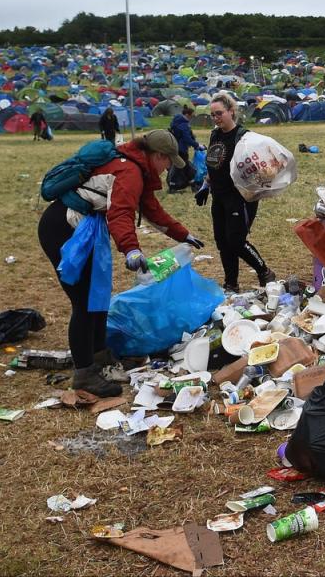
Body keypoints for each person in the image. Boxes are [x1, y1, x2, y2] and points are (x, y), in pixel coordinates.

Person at [38, 130, 203, 397]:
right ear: (157, 155)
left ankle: (100, 357)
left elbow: (152, 211)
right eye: (168, 162)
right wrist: (131, 250)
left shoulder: (139, 170)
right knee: (83, 301)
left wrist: (182, 233)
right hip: (64, 228)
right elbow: (121, 213)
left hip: (83, 227)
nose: (168, 168)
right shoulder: (130, 172)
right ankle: (84, 374)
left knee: (97, 296)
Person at [195, 94, 276, 291]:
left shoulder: (244, 137)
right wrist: (205, 186)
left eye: (219, 113)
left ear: (231, 111)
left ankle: (264, 271)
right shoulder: (215, 135)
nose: (216, 118)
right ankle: (231, 283)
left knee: (236, 241)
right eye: (213, 115)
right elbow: (215, 165)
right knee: (222, 242)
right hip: (219, 196)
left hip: (239, 199)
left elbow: (262, 168)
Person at [168, 106, 203, 192]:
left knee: (182, 167)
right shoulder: (183, 124)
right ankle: (192, 186)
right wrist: (197, 145)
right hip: (181, 149)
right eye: (192, 116)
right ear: (187, 114)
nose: (192, 118)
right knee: (183, 167)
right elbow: (187, 138)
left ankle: (175, 186)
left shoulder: (176, 121)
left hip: (176, 147)